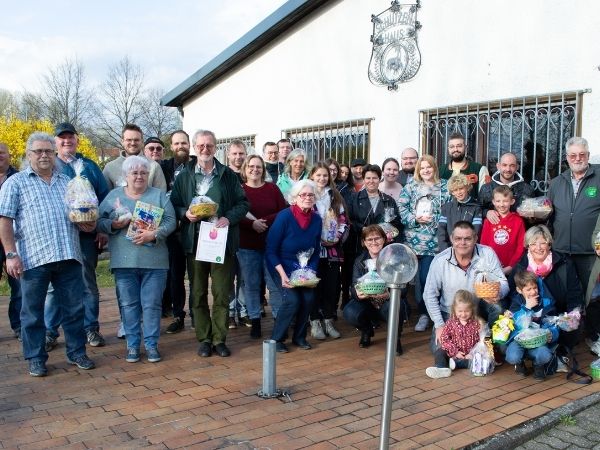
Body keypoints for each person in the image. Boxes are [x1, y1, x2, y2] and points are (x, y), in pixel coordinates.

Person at [0, 132, 96, 377]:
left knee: (74, 309)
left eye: (48, 151)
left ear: (55, 154)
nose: (44, 155)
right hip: (34, 259)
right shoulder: (16, 183)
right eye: (38, 151)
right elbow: (5, 221)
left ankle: (77, 352)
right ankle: (35, 357)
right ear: (28, 154)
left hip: (68, 255)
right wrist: (11, 254)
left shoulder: (68, 182)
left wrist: (87, 223)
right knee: (32, 312)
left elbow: (80, 215)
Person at [170, 129, 249, 358]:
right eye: (201, 146)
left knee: (222, 292)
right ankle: (204, 338)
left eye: (210, 146)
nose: (205, 150)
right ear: (195, 148)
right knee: (197, 292)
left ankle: (219, 338)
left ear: (216, 148)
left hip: (220, 242)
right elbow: (173, 204)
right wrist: (186, 214)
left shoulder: (227, 175)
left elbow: (243, 204)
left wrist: (228, 218)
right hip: (195, 242)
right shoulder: (184, 176)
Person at [97, 156, 176, 363]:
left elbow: (171, 221)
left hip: (154, 262)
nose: (139, 176)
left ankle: (151, 345)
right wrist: (114, 225)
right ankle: (132, 345)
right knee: (129, 305)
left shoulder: (159, 196)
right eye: (134, 173)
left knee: (151, 305)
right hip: (124, 262)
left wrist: (155, 234)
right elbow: (99, 221)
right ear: (125, 176)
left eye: (143, 172)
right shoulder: (114, 196)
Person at [44, 122, 110, 351]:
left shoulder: (89, 167)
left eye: (70, 137)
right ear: (55, 142)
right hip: (57, 237)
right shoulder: (49, 166)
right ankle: (50, 331)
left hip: (85, 237)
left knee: (87, 284)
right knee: (53, 287)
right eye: (61, 138)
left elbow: (105, 198)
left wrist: (101, 228)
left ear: (77, 140)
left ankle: (90, 328)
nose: (66, 141)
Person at [423, 222, 509, 373]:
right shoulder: (440, 260)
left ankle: (492, 347)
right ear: (451, 239)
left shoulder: (487, 253)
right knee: (438, 346)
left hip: (479, 308)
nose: (462, 243)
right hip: (450, 312)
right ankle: (466, 360)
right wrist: (439, 325)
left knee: (498, 307)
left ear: (475, 238)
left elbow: (503, 282)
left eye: (467, 238)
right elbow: (429, 295)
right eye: (458, 238)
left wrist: (497, 292)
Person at [266, 180, 322, 353]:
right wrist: (283, 275)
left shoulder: (317, 219)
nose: (307, 198)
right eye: (303, 194)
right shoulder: (284, 216)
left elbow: (316, 249)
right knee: (292, 300)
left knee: (308, 298)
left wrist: (310, 272)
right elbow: (270, 250)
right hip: (280, 266)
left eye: (311, 195)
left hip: (304, 269)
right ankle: (277, 339)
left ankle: (299, 337)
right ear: (294, 198)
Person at [508, 225, 584, 352]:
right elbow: (512, 293)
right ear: (528, 246)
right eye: (533, 243)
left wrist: (573, 314)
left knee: (575, 324)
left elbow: (574, 293)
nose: (538, 247)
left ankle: (560, 352)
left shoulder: (565, 263)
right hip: (530, 317)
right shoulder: (521, 266)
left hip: (559, 316)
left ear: (549, 245)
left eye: (542, 243)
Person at [398, 155, 450, 332]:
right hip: (412, 242)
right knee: (412, 282)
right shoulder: (411, 186)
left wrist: (434, 219)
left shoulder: (444, 187)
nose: (426, 170)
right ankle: (419, 314)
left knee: (427, 279)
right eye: (422, 168)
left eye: (429, 167)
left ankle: (428, 314)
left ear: (434, 167)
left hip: (434, 243)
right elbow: (401, 208)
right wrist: (414, 219)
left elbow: (448, 211)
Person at [237, 155, 286, 338]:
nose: (255, 169)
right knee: (251, 285)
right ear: (245, 169)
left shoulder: (272, 189)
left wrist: (263, 222)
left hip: (272, 245)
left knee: (274, 284)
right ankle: (255, 320)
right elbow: (234, 213)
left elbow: (283, 211)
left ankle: (278, 319)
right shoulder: (239, 190)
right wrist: (252, 224)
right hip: (247, 245)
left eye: (258, 167)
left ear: (263, 170)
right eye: (251, 166)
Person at [548, 137, 600, 295]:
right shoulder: (557, 182)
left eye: (582, 154)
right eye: (573, 155)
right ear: (567, 158)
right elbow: (548, 213)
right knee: (563, 294)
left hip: (590, 252)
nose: (578, 158)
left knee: (591, 296)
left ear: (588, 155)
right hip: (561, 250)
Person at [343, 225, 404, 354]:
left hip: (387, 301)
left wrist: (388, 294)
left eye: (377, 238)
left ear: (384, 239)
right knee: (349, 312)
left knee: (397, 307)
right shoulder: (360, 261)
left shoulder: (394, 259)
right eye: (369, 239)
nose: (374, 242)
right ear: (364, 242)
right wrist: (358, 293)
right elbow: (354, 285)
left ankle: (395, 339)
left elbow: (403, 287)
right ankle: (366, 330)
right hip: (367, 301)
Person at [308, 162, 349, 340]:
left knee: (331, 287)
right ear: (312, 176)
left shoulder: (335, 196)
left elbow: (343, 220)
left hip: (332, 250)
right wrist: (318, 239)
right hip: (313, 250)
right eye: (318, 175)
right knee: (313, 287)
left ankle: (328, 320)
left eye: (325, 175)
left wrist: (335, 238)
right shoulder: (307, 195)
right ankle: (315, 321)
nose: (322, 179)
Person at [161, 130, 196, 334]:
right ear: (171, 146)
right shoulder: (163, 167)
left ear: (189, 144)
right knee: (175, 276)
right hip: (172, 232)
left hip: (194, 230)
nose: (180, 146)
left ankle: (196, 314)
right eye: (176, 143)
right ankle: (177, 314)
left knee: (196, 275)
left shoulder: (197, 166)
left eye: (184, 143)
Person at [505, 270, 559, 380]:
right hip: (519, 340)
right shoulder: (516, 303)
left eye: (535, 288)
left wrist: (552, 333)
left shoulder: (545, 302)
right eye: (528, 289)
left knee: (545, 355)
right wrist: (527, 308)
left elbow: (553, 321)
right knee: (512, 356)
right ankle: (519, 363)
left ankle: (538, 365)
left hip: (538, 341)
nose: (533, 292)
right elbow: (516, 324)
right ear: (519, 290)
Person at [425, 290, 482, 379]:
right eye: (460, 311)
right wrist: (455, 352)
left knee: (476, 360)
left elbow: (480, 341)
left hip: (469, 355)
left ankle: (455, 364)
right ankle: (441, 368)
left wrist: (473, 353)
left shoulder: (476, 324)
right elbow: (445, 339)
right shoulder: (451, 323)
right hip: (453, 352)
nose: (463, 314)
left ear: (472, 309)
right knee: (440, 352)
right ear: (454, 309)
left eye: (466, 311)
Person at [225, 140, 249, 327]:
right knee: (227, 275)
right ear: (228, 155)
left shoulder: (250, 175)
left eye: (241, 153)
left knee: (244, 277)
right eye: (234, 154)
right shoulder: (223, 176)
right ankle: (230, 310)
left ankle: (243, 310)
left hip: (248, 234)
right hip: (227, 233)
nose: (238, 157)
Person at [103, 123, 167, 192]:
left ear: (142, 142)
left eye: (136, 140)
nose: (133, 143)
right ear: (122, 141)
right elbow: (105, 197)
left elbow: (161, 195)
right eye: (129, 140)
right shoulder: (110, 168)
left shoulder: (154, 166)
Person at [0, 142, 21, 341]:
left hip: (12, 240)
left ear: (9, 155)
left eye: (2, 153)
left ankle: (19, 325)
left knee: (18, 285)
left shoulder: (18, 178)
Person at [480, 186, 526, 276]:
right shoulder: (488, 221)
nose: (501, 204)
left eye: (505, 201)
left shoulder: (518, 221)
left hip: (512, 268)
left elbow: (521, 246)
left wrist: (511, 266)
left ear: (512, 202)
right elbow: (483, 245)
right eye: (498, 201)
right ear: (493, 202)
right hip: (491, 267)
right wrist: (487, 265)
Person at [478, 152, 534, 224]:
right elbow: (477, 209)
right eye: (504, 165)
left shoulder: (527, 189)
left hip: (520, 233)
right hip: (493, 232)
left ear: (517, 167)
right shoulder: (486, 188)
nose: (508, 169)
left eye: (512, 165)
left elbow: (533, 219)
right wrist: (486, 213)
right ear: (498, 166)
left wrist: (531, 217)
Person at [438, 173, 482, 251]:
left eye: (461, 188)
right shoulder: (447, 207)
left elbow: (476, 231)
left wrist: (468, 249)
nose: (459, 192)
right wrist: (445, 250)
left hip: (468, 249)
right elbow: (441, 230)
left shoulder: (476, 207)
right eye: (455, 190)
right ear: (452, 192)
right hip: (449, 250)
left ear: (467, 187)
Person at [439, 132, 489, 200]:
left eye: (459, 146)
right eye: (452, 147)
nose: (455, 149)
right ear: (448, 149)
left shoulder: (480, 169)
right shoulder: (440, 171)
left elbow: (485, 198)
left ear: (466, 147)